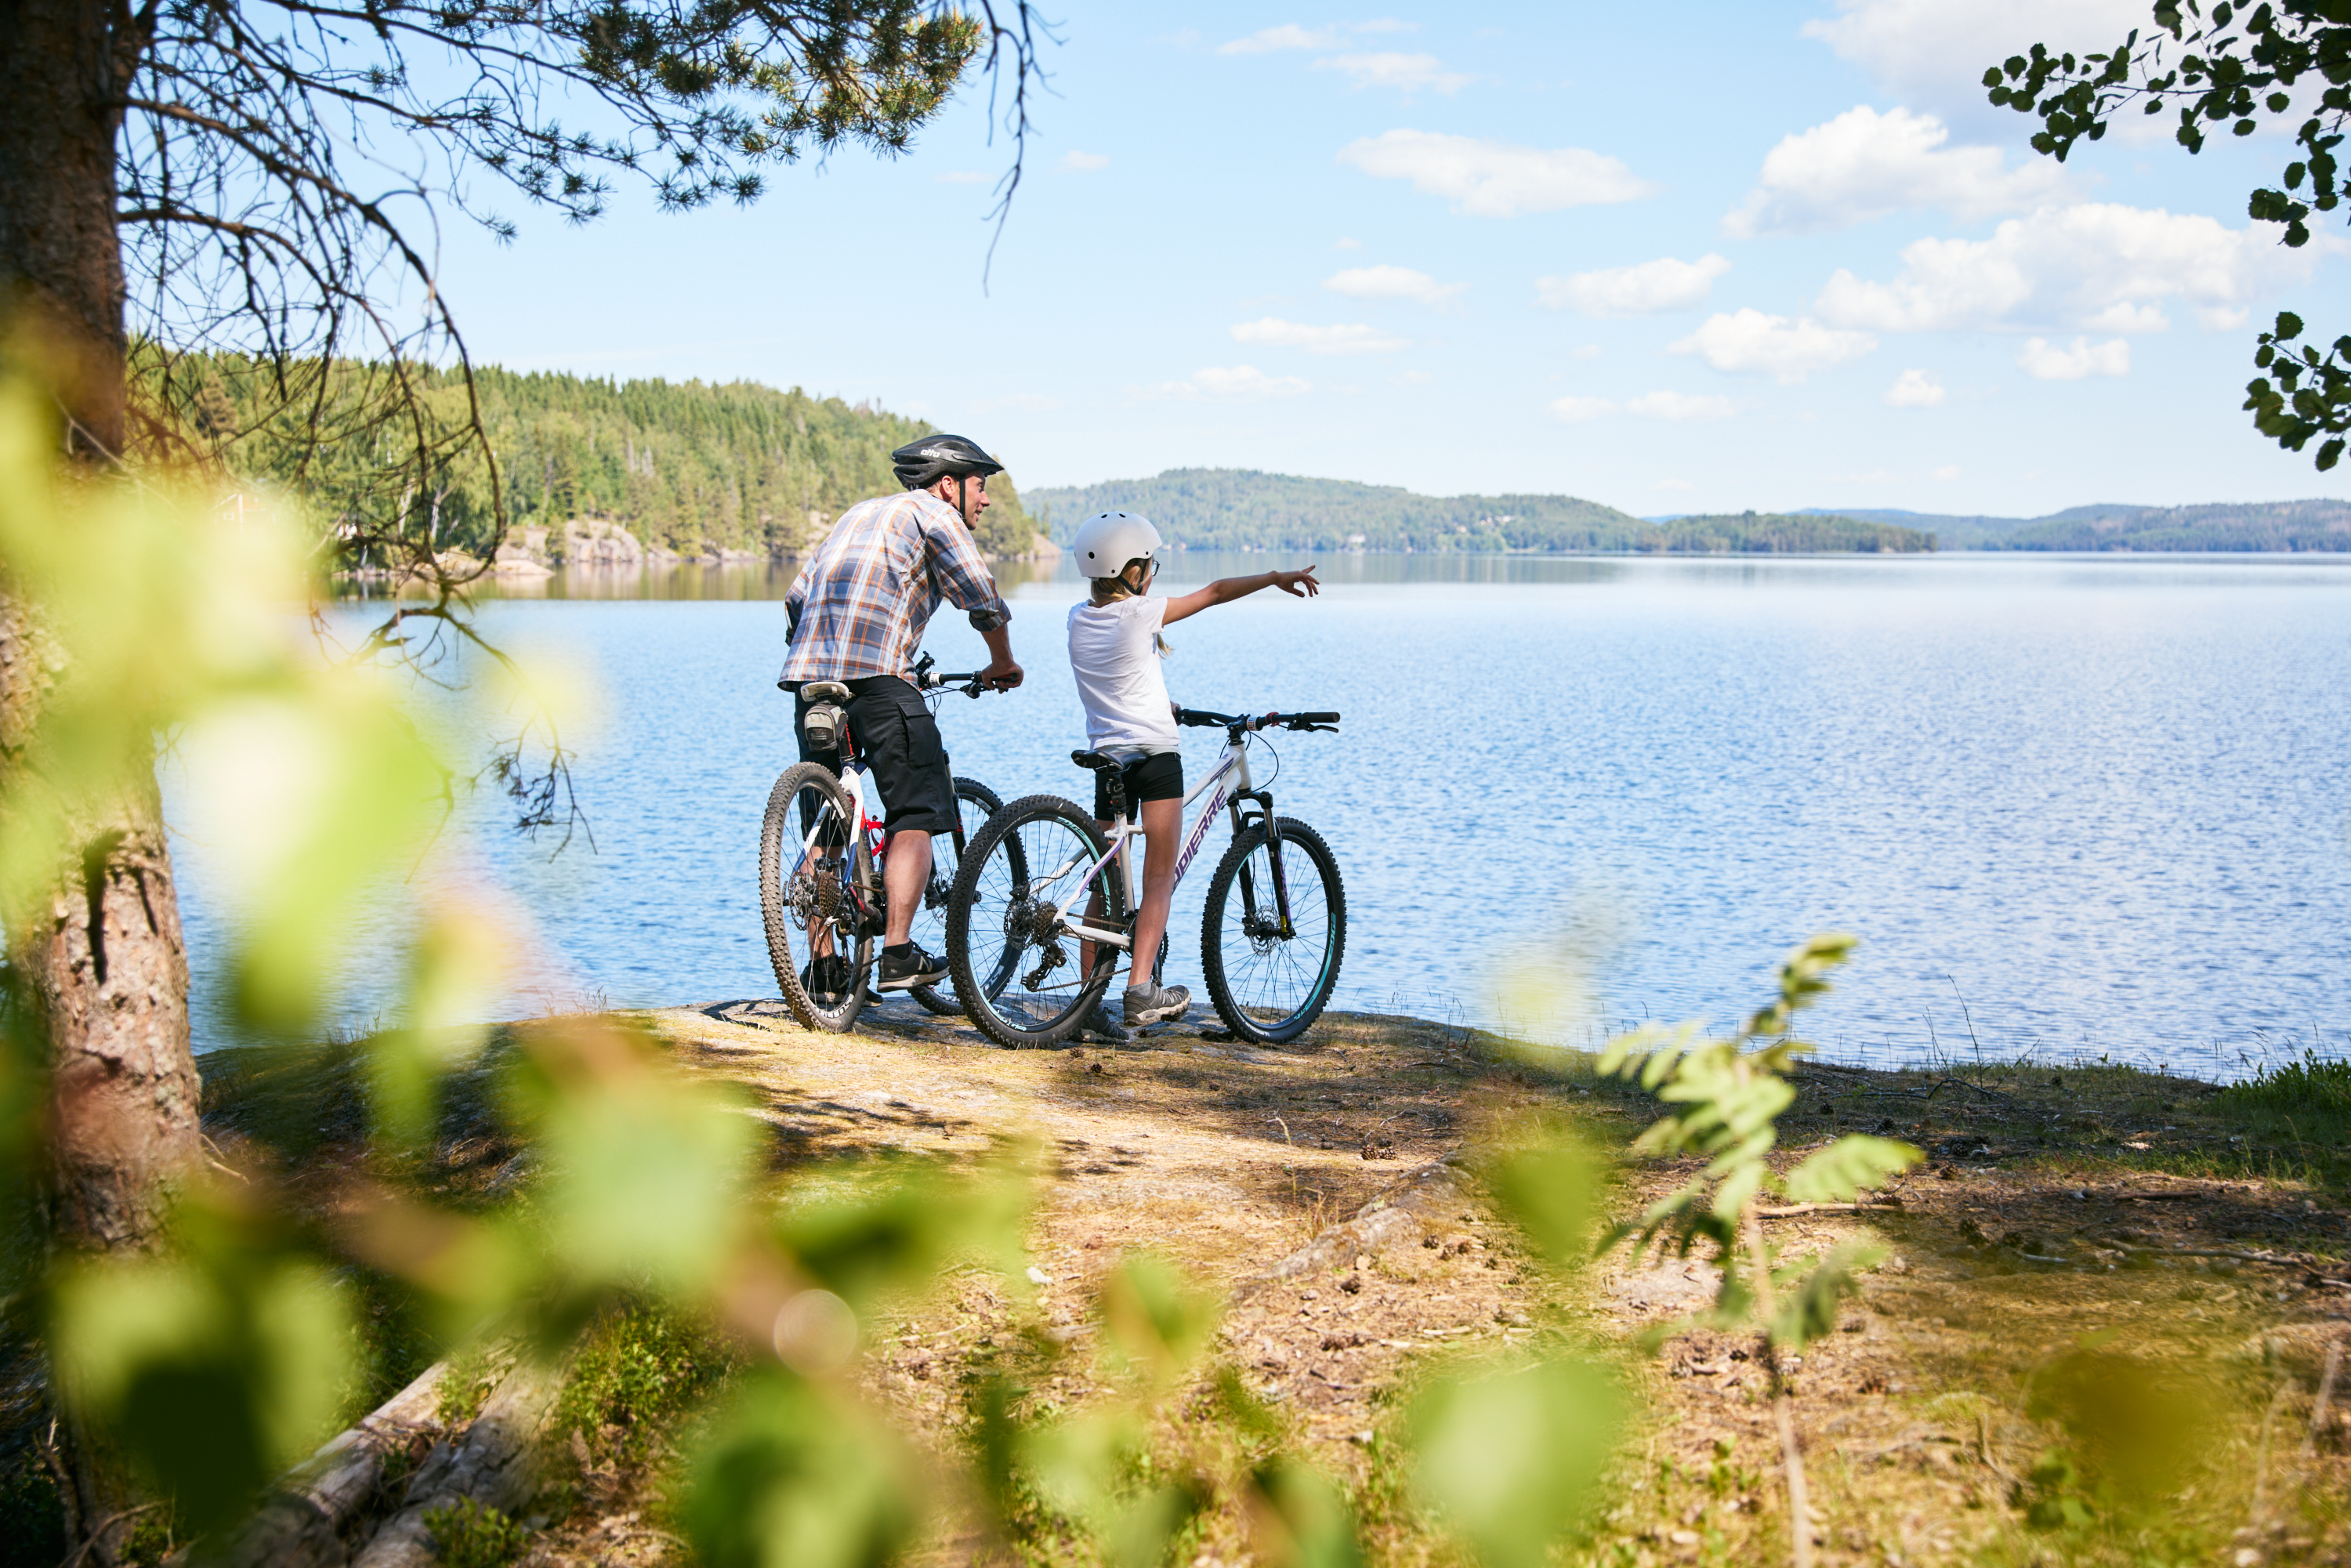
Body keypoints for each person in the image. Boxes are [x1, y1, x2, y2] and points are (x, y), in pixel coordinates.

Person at [780, 433, 1024, 993]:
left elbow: (796, 599)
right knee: (916, 808)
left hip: (811, 679)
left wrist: (819, 649)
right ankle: (896, 953)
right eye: (980, 487)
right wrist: (1003, 663)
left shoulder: (856, 515)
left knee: (827, 818)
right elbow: (981, 596)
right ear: (948, 485)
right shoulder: (935, 517)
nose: (984, 500)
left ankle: (822, 967)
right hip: (879, 677)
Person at [1065, 509, 1320, 1033]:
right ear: (1131, 570)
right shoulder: (1142, 614)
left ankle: (1085, 1005)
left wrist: (1164, 701)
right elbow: (1217, 590)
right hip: (1155, 759)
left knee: (1105, 887)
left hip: (1107, 758)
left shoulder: (1077, 617)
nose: (1151, 571)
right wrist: (1274, 577)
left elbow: (1121, 679)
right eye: (1147, 563)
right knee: (1158, 877)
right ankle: (1140, 989)